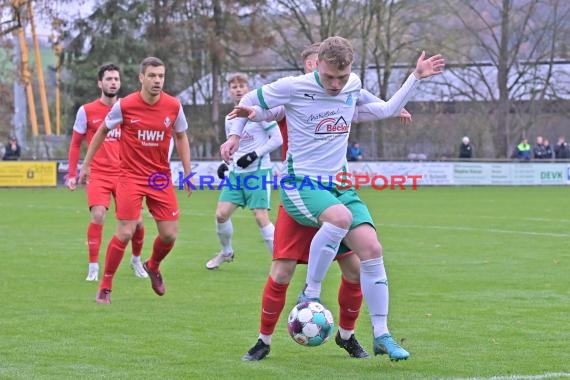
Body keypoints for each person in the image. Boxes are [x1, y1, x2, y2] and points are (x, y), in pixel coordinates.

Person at [223, 36, 444, 361]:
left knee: (370, 250)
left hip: (338, 187)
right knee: (284, 269)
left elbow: (384, 109)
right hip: (302, 186)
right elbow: (246, 107)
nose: (336, 84)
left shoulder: (351, 86)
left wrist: (415, 78)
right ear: (314, 66)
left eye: (341, 77)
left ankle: (379, 334)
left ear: (349, 69)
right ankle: (289, 314)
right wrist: (235, 136)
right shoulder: (291, 88)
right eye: (328, 77)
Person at [79, 57, 192, 304]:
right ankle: (106, 286)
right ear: (141, 78)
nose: (157, 80)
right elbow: (101, 131)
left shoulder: (173, 106)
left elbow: (181, 137)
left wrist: (187, 171)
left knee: (170, 235)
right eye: (152, 76)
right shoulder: (125, 105)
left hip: (159, 178)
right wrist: (86, 164)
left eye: (161, 76)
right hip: (130, 176)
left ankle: (153, 265)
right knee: (125, 231)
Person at [67, 63, 147, 281]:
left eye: (116, 79)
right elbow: (75, 144)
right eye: (109, 79)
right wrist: (72, 173)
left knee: (138, 221)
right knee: (99, 214)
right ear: (100, 83)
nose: (113, 82)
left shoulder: (128, 108)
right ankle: (93, 266)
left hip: (126, 174)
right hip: (99, 174)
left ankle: (136, 260)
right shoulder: (87, 111)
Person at [205, 73, 282, 269]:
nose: (238, 89)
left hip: (259, 172)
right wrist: (227, 164)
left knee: (260, 216)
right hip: (237, 174)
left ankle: (280, 263)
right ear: (229, 91)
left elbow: (277, 139)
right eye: (234, 86)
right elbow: (234, 145)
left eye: (241, 85)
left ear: (248, 88)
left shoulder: (259, 112)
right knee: (221, 215)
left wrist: (255, 154)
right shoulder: (229, 118)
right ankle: (226, 252)